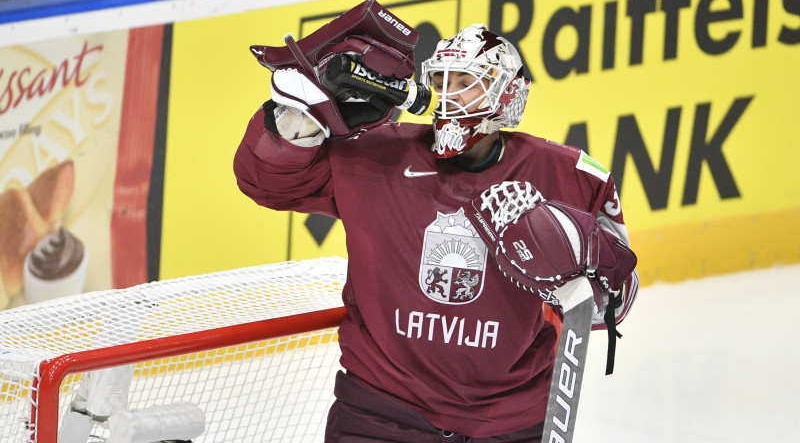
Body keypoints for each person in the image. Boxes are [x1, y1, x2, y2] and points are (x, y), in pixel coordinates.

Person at [235, 23, 639, 442]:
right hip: (379, 415)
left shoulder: (569, 176)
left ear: (507, 94)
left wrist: (581, 247)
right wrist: (298, 119)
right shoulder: (377, 155)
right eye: (442, 81)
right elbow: (264, 183)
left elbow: (615, 305)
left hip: (507, 423)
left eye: (467, 83)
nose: (449, 95)